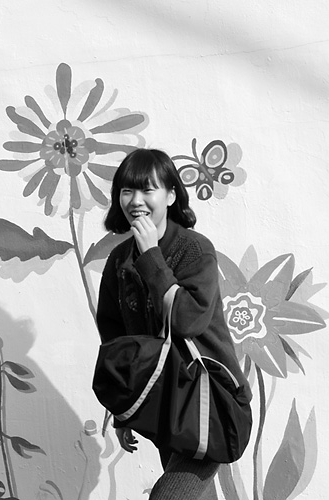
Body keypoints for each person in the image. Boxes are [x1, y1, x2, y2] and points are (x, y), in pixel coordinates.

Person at [95, 148, 250, 499]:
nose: (136, 200)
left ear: (170, 195)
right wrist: (122, 410)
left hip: (211, 403)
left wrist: (151, 256)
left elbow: (187, 321)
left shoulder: (195, 250)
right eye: (127, 191)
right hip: (166, 407)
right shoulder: (119, 261)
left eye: (147, 189)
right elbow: (116, 341)